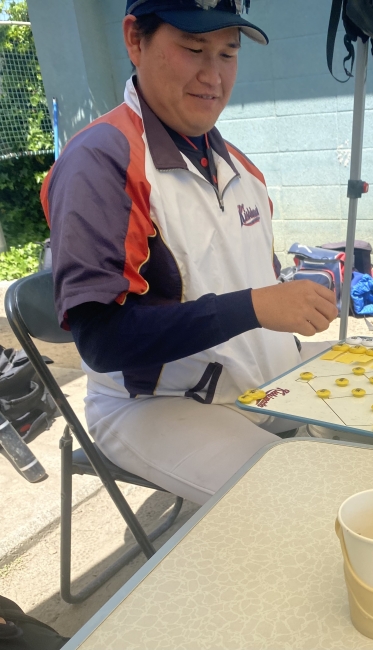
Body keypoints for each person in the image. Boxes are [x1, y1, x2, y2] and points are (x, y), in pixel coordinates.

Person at [42, 0, 338, 505]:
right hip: (154, 404)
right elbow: (100, 341)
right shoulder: (100, 160)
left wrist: (291, 302)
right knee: (299, 501)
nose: (213, 75)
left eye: (228, 53)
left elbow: (249, 281)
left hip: (261, 383)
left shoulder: (241, 169)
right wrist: (254, 306)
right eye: (194, 48)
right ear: (134, 40)